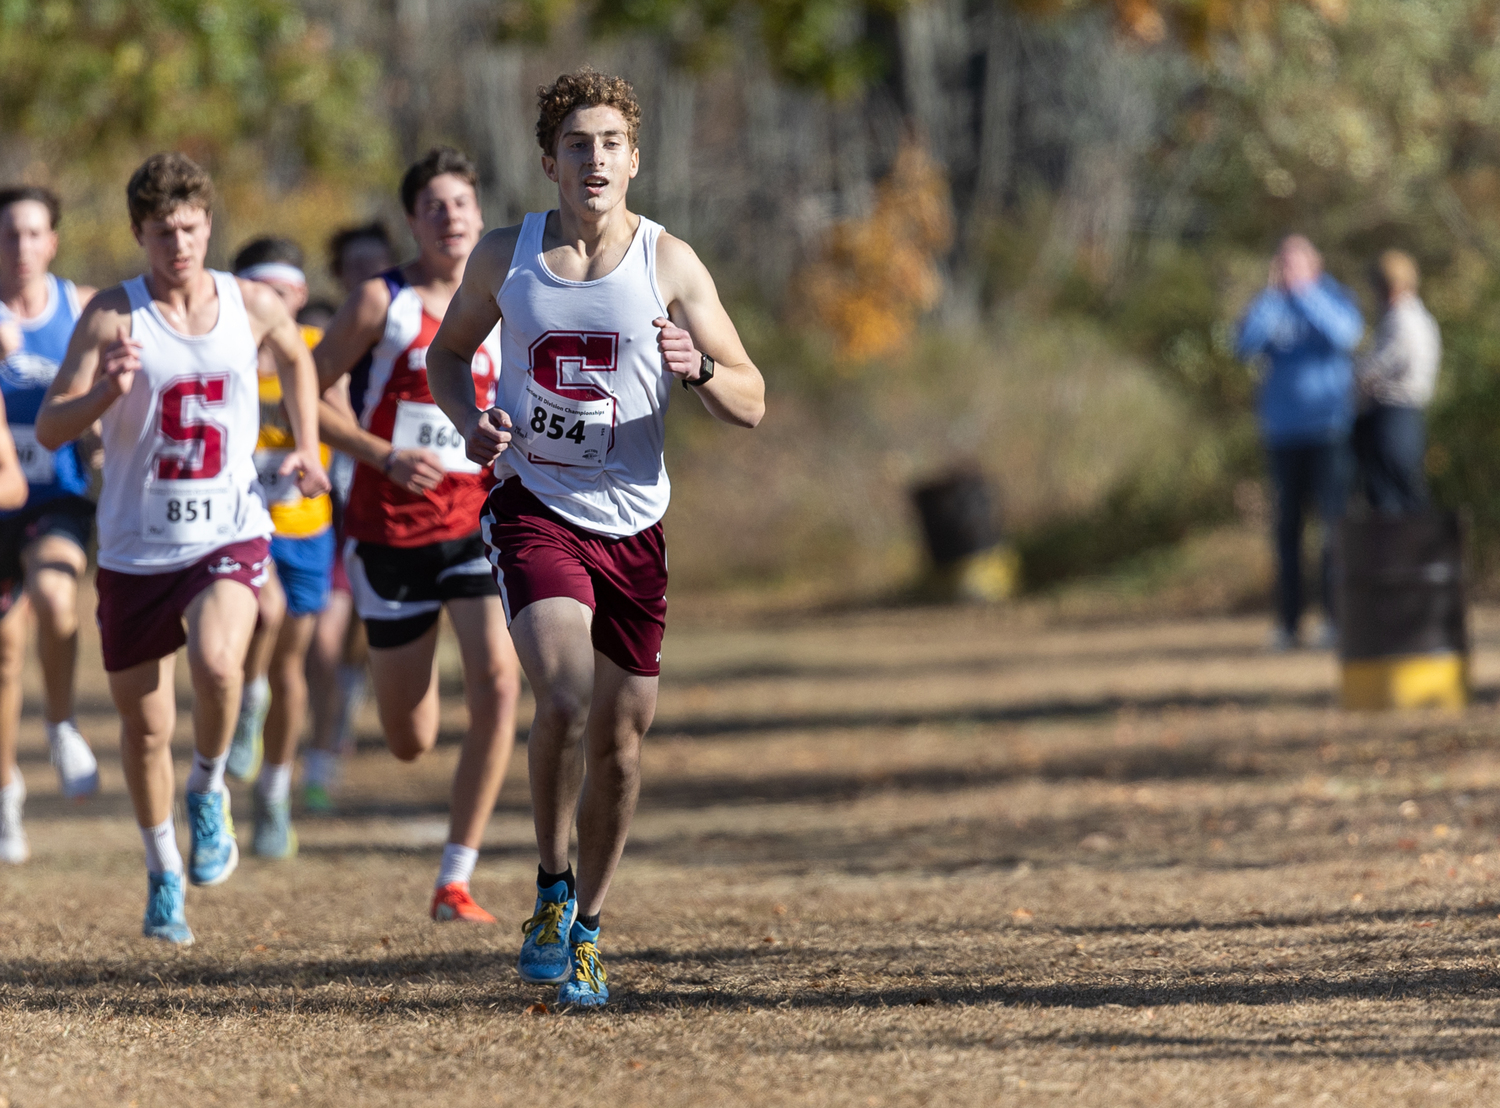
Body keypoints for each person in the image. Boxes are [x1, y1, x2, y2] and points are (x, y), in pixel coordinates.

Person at [428, 69, 765, 1007]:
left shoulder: (670, 262)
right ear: (549, 162)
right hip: (535, 505)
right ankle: (549, 884)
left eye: (612, 143)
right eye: (578, 144)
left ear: (635, 159)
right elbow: (447, 357)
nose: (595, 159)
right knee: (566, 695)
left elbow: (752, 396)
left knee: (622, 740)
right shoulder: (507, 255)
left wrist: (699, 369)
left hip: (636, 527)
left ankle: (588, 930)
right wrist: (471, 424)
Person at [36, 153, 328, 943]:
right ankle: (163, 869)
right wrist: (103, 394)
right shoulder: (111, 316)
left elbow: (300, 356)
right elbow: (50, 426)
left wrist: (307, 445)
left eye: (192, 228)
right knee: (146, 728)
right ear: (139, 234)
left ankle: (208, 790)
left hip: (226, 533)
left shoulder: (252, 302)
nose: (179, 245)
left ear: (208, 226)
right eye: (162, 232)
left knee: (222, 663)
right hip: (135, 549)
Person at [313, 148, 521, 921]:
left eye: (462, 203)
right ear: (413, 221)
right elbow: (312, 389)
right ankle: (383, 708)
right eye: (434, 205)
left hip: (477, 523)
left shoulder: (511, 300)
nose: (451, 217)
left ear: (479, 212)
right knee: (410, 739)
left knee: (500, 682)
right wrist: (382, 455)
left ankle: (455, 877)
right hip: (387, 532)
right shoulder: (380, 302)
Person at [228, 235, 337, 858]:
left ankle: (273, 791)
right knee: (262, 612)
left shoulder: (318, 350)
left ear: (299, 295)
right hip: (243, 519)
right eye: (263, 289)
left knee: (291, 664)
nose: (276, 301)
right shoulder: (225, 348)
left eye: (287, 291)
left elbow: (344, 416)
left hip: (307, 527)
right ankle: (249, 700)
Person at [0, 187, 103, 839]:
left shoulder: (83, 307)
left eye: (33, 233)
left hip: (58, 497)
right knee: (5, 649)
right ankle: (7, 789)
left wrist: (101, 454)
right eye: (9, 235)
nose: (21, 248)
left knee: (57, 596)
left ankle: (62, 724)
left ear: (53, 241)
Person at [300, 222, 397, 811]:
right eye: (356, 265)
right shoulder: (326, 339)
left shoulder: (414, 338)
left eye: (379, 265)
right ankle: (320, 757)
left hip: (393, 512)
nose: (369, 276)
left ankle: (347, 701)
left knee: (364, 640)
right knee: (324, 640)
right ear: (340, 275)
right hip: (330, 515)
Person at [1236, 234, 1363, 651]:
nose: (1289, 270)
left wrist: (1306, 295)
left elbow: (1346, 336)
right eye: (1283, 262)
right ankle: (1289, 624)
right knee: (1286, 531)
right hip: (1282, 433)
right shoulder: (1270, 304)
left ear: (1315, 265)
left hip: (1328, 430)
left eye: (1297, 263)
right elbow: (1243, 346)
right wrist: (1273, 299)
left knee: (1333, 528)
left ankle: (1337, 619)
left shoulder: (1332, 297)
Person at [1353, 250, 1441, 515]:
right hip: (1401, 415)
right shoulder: (1416, 317)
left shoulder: (1404, 320)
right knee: (1393, 491)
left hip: (1396, 414)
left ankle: (1408, 555)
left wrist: (1351, 376)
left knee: (1395, 495)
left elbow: (1378, 367)